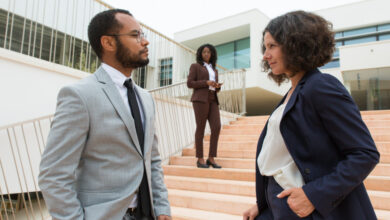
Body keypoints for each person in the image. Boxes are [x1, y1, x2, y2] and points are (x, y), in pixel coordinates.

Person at [243, 11, 380, 220]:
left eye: (272, 46)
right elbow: (280, 159)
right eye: (265, 47)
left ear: (294, 44)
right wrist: (263, 205)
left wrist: (313, 196)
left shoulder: (321, 86)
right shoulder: (291, 93)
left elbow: (365, 154)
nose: (265, 55)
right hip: (278, 205)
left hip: (309, 209)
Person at [38, 9, 171, 220]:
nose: (145, 42)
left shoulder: (146, 98)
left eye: (143, 34)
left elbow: (152, 159)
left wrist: (162, 208)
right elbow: (54, 175)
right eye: (135, 35)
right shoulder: (79, 95)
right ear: (108, 43)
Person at [187, 44, 222, 169]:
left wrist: (217, 86)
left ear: (212, 54)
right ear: (200, 54)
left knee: (216, 126)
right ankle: (200, 158)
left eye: (208, 52)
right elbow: (190, 83)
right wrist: (206, 83)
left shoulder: (214, 70)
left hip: (213, 99)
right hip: (200, 99)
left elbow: (214, 86)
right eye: (204, 52)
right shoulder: (195, 66)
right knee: (200, 128)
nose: (206, 54)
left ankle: (211, 158)